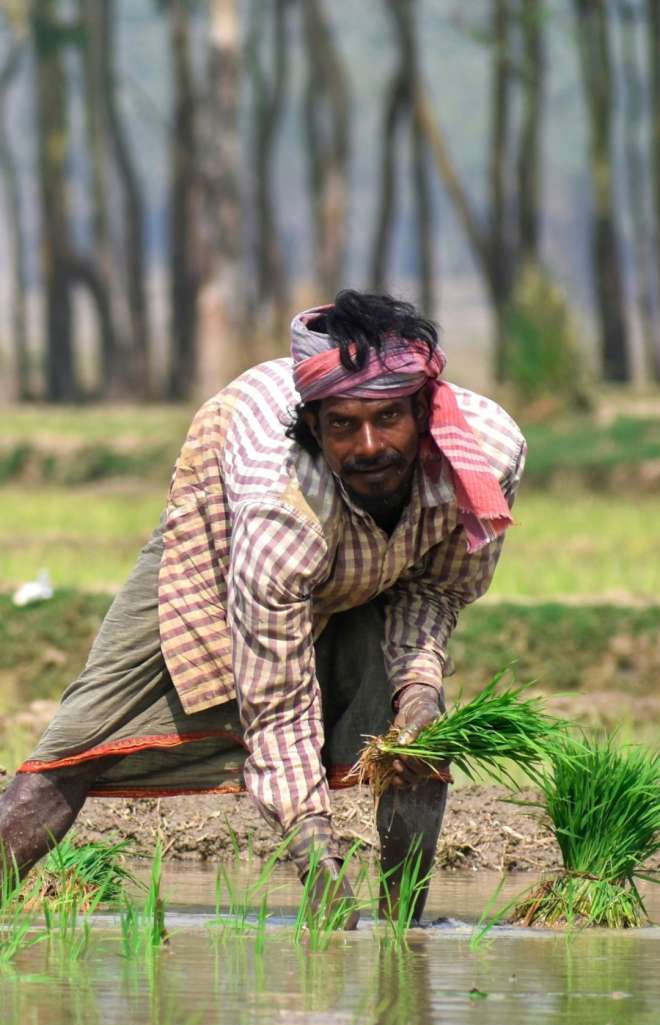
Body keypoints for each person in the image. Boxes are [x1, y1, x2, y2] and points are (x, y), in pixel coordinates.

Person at [0, 290, 526, 927]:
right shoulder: (280, 508)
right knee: (78, 740)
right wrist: (313, 853)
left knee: (420, 739)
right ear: (312, 428)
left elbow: (436, 587)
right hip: (224, 536)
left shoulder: (485, 458)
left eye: (388, 419)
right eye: (342, 426)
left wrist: (418, 687)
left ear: (423, 410)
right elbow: (277, 704)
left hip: (373, 564)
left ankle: (404, 932)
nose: (368, 446)